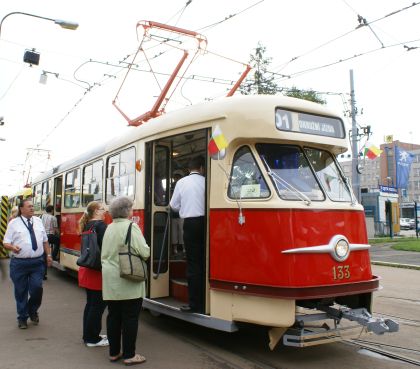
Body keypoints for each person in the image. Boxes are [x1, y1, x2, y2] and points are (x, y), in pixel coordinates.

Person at [102, 196, 150, 365]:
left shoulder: (109, 228)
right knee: (130, 318)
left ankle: (114, 353)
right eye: (131, 208)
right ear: (127, 211)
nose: (132, 211)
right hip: (128, 278)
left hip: (110, 280)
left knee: (113, 316)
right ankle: (130, 355)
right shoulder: (132, 227)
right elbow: (144, 252)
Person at [3, 198, 52, 329]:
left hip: (37, 263)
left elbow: (45, 241)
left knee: (37, 289)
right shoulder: (13, 223)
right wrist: (13, 248)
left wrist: (48, 255)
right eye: (29, 206)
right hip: (19, 264)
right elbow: (5, 242)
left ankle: (32, 309)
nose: (32, 208)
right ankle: (22, 318)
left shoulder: (38, 221)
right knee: (21, 291)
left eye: (32, 206)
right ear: (21, 209)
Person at [170, 155, 205, 313]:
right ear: (202, 168)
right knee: (205, 261)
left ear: (188, 169)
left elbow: (174, 205)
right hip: (207, 223)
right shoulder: (206, 182)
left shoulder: (181, 182)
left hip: (190, 224)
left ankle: (194, 303)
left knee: (193, 263)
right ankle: (206, 300)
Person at [78, 201, 109, 347]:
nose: (105, 211)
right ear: (96, 211)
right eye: (103, 209)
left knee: (90, 304)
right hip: (98, 272)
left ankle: (88, 335)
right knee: (97, 306)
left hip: (87, 269)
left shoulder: (87, 224)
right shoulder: (101, 226)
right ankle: (92, 339)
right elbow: (107, 247)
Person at [171, 172, 185, 256]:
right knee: (175, 232)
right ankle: (175, 249)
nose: (176, 179)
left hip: (181, 213)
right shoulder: (172, 187)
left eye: (178, 177)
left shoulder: (181, 187)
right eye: (175, 178)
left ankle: (183, 248)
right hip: (175, 214)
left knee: (181, 231)